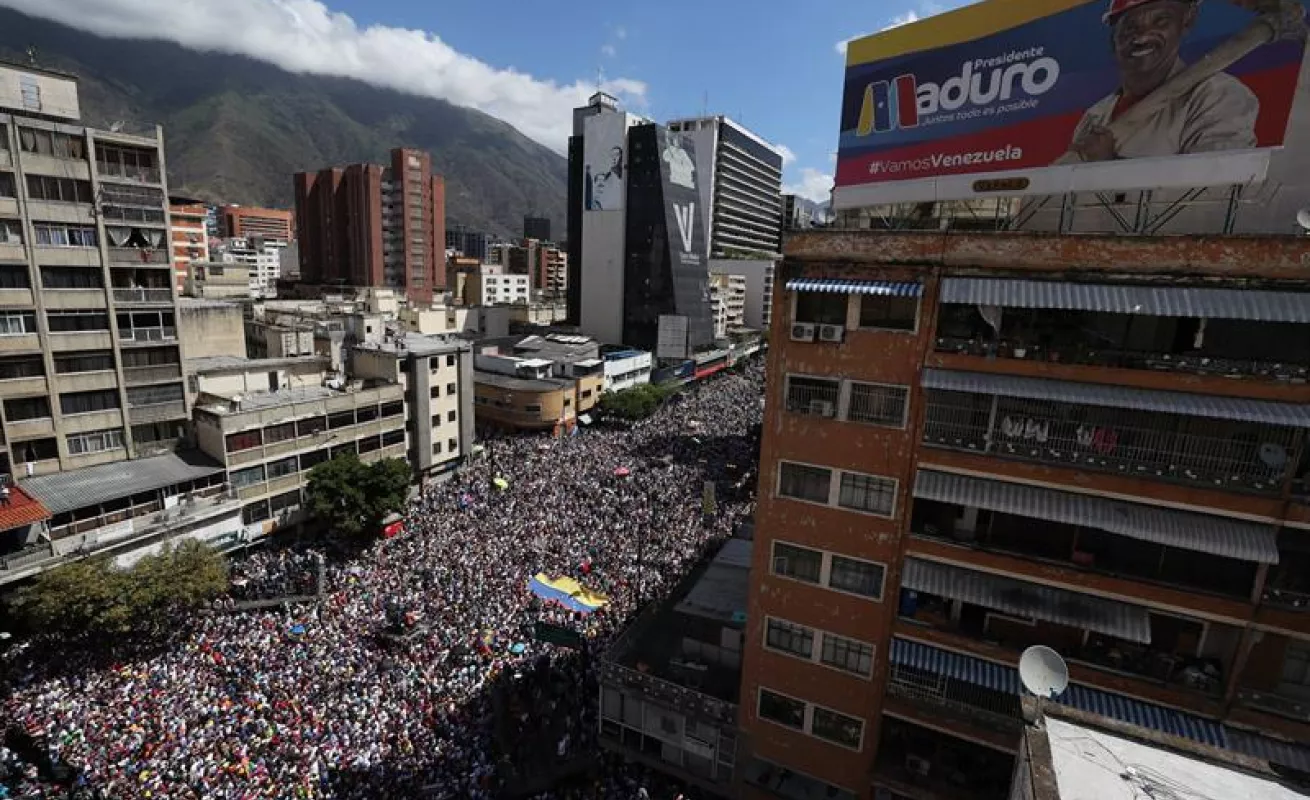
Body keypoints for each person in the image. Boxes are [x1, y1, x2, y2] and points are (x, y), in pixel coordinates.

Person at [1066, 0, 1260, 162]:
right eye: (1130, 28)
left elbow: (1216, 186)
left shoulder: (1218, 96)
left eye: (1160, 22)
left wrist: (1109, 165)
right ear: (1113, 41)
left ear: (1186, 22)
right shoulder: (1093, 117)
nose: (1142, 38)